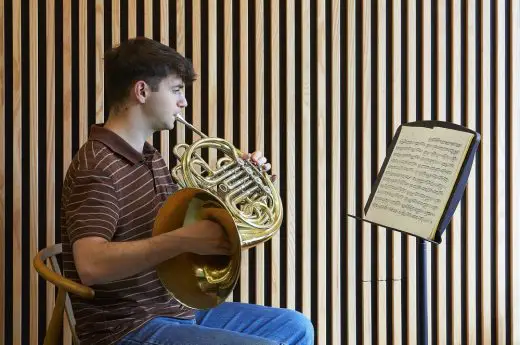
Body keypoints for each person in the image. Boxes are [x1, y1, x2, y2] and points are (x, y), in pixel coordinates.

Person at [60, 37, 314, 345]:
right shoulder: (97, 165)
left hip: (174, 310)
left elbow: (187, 227)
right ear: (142, 91)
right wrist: (182, 240)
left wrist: (248, 185)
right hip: (126, 326)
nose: (184, 103)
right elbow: (91, 265)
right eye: (177, 90)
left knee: (297, 327)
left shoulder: (149, 156)